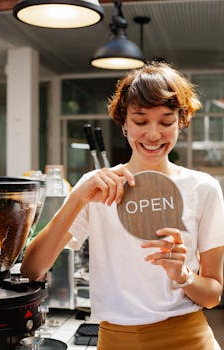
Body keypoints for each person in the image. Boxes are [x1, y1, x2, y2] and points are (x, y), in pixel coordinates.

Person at [21, 62, 224, 350]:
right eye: (141, 121)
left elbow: (213, 296)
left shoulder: (203, 188)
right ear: (124, 123)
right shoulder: (98, 186)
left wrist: (183, 275)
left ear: (181, 121)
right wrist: (79, 196)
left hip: (189, 339)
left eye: (166, 122)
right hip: (116, 340)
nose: (153, 134)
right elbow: (32, 270)